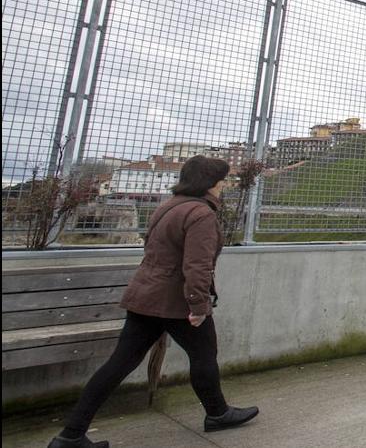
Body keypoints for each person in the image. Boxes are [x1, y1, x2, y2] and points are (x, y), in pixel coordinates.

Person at [48, 156, 258, 448]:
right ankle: (218, 414)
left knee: (118, 364)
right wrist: (198, 306)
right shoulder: (200, 214)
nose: (223, 187)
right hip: (175, 302)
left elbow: (154, 251)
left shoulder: (167, 206)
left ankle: (70, 435)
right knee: (204, 355)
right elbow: (197, 266)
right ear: (209, 184)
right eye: (222, 181)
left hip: (144, 296)